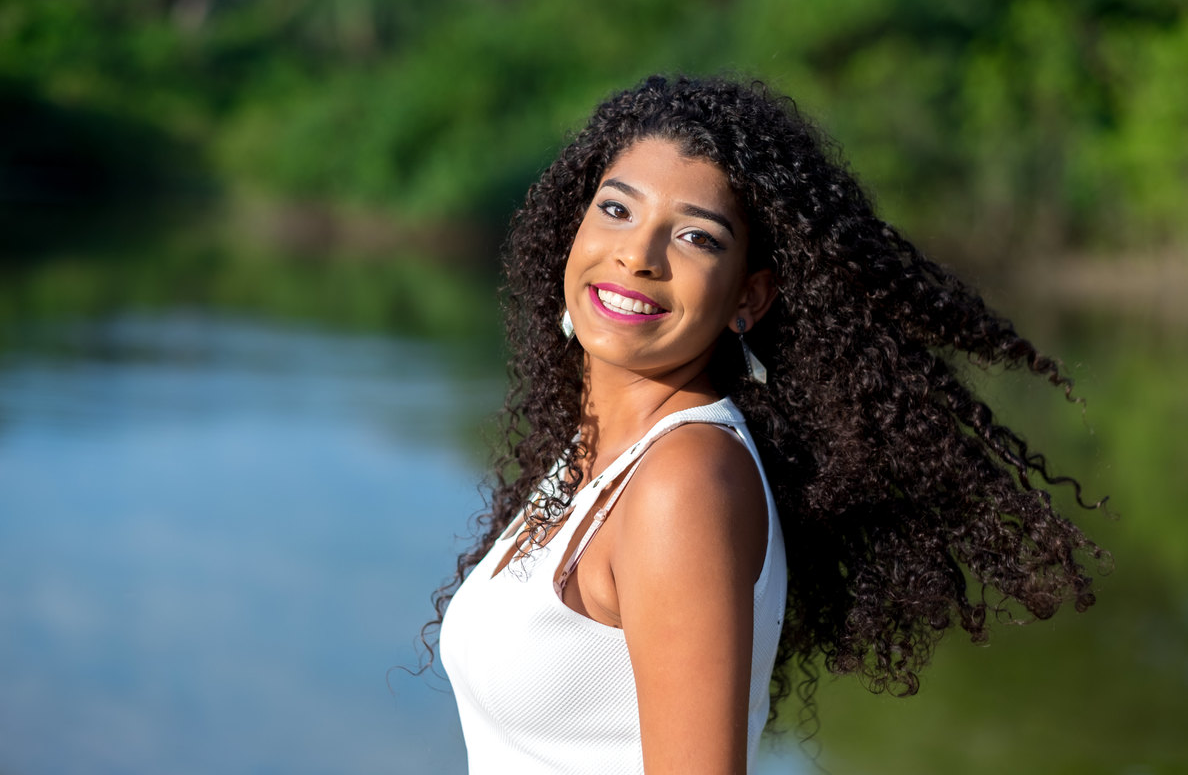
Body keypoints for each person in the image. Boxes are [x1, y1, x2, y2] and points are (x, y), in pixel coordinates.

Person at [428, 75, 1105, 774]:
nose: (638, 255)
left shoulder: (682, 481)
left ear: (749, 297)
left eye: (695, 236)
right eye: (616, 210)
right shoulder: (598, 452)